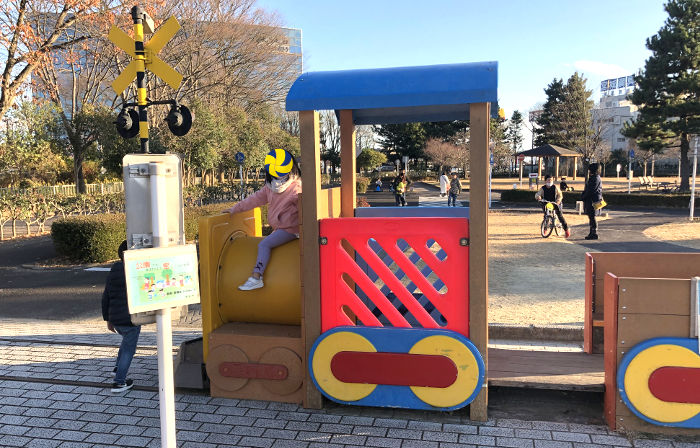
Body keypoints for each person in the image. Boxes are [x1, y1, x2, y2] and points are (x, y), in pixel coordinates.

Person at [224, 149, 301, 290]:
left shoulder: (296, 188)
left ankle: (256, 276)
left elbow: (306, 206)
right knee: (268, 242)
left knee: (264, 245)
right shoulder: (270, 188)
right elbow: (254, 200)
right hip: (281, 228)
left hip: (291, 229)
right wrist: (235, 209)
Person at [102, 240, 141, 393]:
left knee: (125, 343)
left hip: (116, 318)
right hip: (131, 318)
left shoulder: (115, 268)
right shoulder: (136, 270)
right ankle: (119, 382)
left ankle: (117, 368)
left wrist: (108, 319)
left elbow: (106, 296)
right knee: (129, 350)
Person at [581, 163, 602, 240]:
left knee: (592, 216)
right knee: (591, 216)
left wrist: (583, 196)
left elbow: (591, 190)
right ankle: (592, 232)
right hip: (593, 200)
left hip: (594, 200)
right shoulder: (594, 177)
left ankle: (594, 233)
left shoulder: (595, 178)